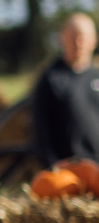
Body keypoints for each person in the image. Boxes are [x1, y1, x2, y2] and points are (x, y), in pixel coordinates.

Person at [29, 12, 99, 167]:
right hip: (69, 168)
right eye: (73, 36)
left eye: (83, 37)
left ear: (94, 40)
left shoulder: (97, 76)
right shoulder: (51, 78)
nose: (78, 43)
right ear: (63, 38)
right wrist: (52, 164)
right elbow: (40, 128)